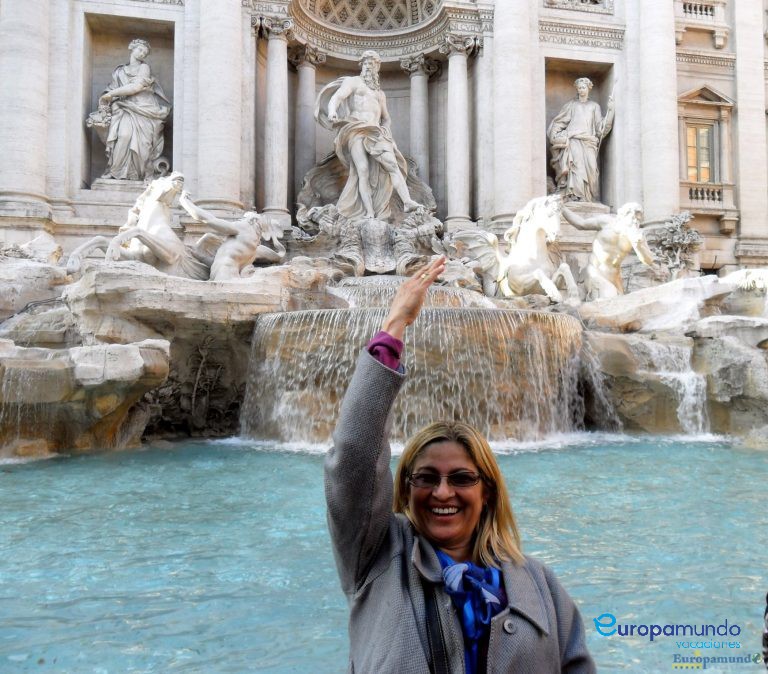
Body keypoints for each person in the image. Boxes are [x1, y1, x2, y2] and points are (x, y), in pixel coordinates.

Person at [325, 256, 595, 673]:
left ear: (487, 491)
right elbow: (353, 457)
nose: (443, 492)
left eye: (462, 478)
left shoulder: (541, 585)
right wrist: (395, 324)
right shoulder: (376, 557)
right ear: (405, 489)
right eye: (426, 478)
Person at [315, 50, 421, 221]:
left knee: (393, 165)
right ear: (361, 66)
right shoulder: (353, 82)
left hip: (376, 132)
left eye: (371, 64)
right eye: (365, 63)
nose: (368, 67)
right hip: (356, 129)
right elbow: (337, 97)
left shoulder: (380, 94)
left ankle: (407, 201)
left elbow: (386, 118)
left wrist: (386, 131)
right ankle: (369, 212)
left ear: (377, 67)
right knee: (362, 170)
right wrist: (332, 110)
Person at [98, 39, 172, 181]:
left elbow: (136, 87)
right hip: (124, 108)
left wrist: (111, 94)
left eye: (145, 53)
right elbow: (112, 88)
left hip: (143, 109)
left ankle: (138, 174)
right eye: (140, 50)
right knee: (123, 136)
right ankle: (115, 171)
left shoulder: (144, 68)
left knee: (143, 145)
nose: (142, 54)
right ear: (131, 48)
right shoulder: (119, 71)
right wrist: (108, 97)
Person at [178, 192, 285, 280]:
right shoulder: (252, 251)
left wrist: (185, 202)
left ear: (252, 221)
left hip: (224, 275)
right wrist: (201, 257)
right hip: (230, 276)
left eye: (243, 218)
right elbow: (222, 262)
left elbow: (209, 219)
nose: (240, 220)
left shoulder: (243, 228)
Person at [561, 202, 655, 300]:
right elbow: (581, 224)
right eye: (633, 218)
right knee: (609, 298)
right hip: (595, 272)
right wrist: (562, 208)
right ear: (624, 214)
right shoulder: (607, 222)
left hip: (615, 279)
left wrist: (639, 245)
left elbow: (648, 260)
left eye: (638, 220)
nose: (635, 222)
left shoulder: (636, 235)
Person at [548, 77, 614, 203]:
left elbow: (600, 128)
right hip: (574, 141)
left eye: (583, 87)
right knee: (576, 168)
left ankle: (589, 198)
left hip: (589, 142)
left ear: (589, 88)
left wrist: (610, 111)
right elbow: (559, 122)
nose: (581, 90)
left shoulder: (594, 106)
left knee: (592, 170)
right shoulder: (571, 105)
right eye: (579, 88)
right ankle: (575, 197)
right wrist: (556, 135)